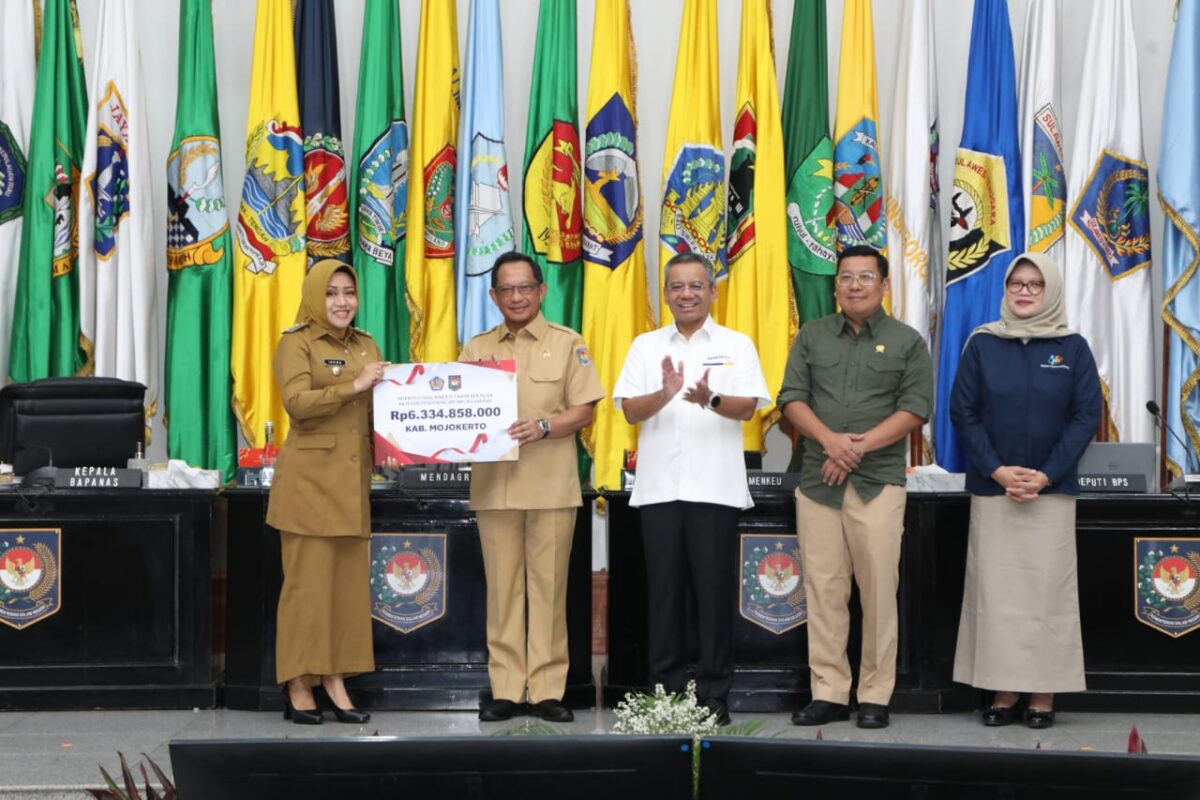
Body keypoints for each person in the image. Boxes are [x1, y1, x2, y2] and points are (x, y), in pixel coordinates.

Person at [613, 252, 770, 726]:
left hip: (716, 490)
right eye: (677, 286)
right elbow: (629, 412)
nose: (686, 294)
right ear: (665, 293)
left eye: (696, 286)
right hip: (659, 490)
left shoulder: (736, 344)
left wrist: (710, 398)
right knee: (662, 597)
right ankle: (666, 694)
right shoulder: (645, 345)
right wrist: (665, 393)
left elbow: (748, 409)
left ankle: (714, 694)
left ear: (712, 291)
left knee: (713, 596)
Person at [778, 245, 932, 730]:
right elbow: (791, 399)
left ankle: (874, 695)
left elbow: (915, 409)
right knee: (823, 590)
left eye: (866, 277)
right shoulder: (811, 336)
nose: (855, 285)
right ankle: (828, 692)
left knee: (879, 593)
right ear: (835, 285)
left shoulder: (907, 342)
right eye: (846, 277)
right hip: (818, 482)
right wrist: (830, 441)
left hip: (877, 484)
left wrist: (856, 449)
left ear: (884, 285)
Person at [950, 252, 1101, 730]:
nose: (1025, 291)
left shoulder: (1073, 347)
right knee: (996, 596)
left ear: (1050, 290)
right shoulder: (982, 344)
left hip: (1050, 493)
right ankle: (1002, 689)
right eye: (1017, 282)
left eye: (1036, 284)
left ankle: (1042, 694)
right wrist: (997, 471)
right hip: (995, 492)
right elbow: (964, 413)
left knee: (1047, 596)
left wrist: (1046, 474)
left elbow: (1085, 417)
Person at [460, 251, 605, 723]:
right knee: (502, 593)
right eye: (507, 289)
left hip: (550, 487)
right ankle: (505, 687)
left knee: (547, 591)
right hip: (495, 488)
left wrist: (543, 426)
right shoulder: (476, 347)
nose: (517, 296)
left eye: (526, 287)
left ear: (542, 291)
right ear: (494, 296)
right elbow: (454, 410)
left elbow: (584, 410)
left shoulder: (568, 343)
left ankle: (546, 689)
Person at [267, 259, 389, 725]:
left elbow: (379, 408)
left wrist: (395, 442)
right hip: (310, 486)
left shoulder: (366, 343)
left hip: (353, 486)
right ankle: (299, 681)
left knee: (345, 591)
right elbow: (296, 403)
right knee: (306, 590)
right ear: (317, 296)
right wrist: (353, 384)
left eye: (349, 293)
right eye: (333, 293)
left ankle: (336, 678)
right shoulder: (295, 342)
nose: (342, 302)